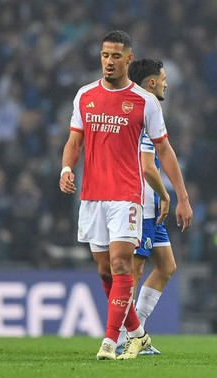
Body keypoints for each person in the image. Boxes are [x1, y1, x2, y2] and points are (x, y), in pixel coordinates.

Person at [59, 30, 192, 360]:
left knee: (122, 265)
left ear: (128, 59)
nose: (109, 61)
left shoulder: (144, 102)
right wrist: (65, 168)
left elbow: (164, 150)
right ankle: (137, 334)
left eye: (116, 56)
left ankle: (109, 341)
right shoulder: (85, 96)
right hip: (93, 195)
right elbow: (74, 142)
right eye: (105, 55)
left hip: (128, 196)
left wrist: (180, 195)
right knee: (106, 270)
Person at [116, 58, 181, 356]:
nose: (166, 83)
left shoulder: (143, 107)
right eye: (163, 78)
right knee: (136, 270)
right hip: (142, 202)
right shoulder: (144, 108)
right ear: (152, 82)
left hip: (150, 205)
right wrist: (167, 195)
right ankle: (122, 337)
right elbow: (147, 167)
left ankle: (136, 331)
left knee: (166, 266)